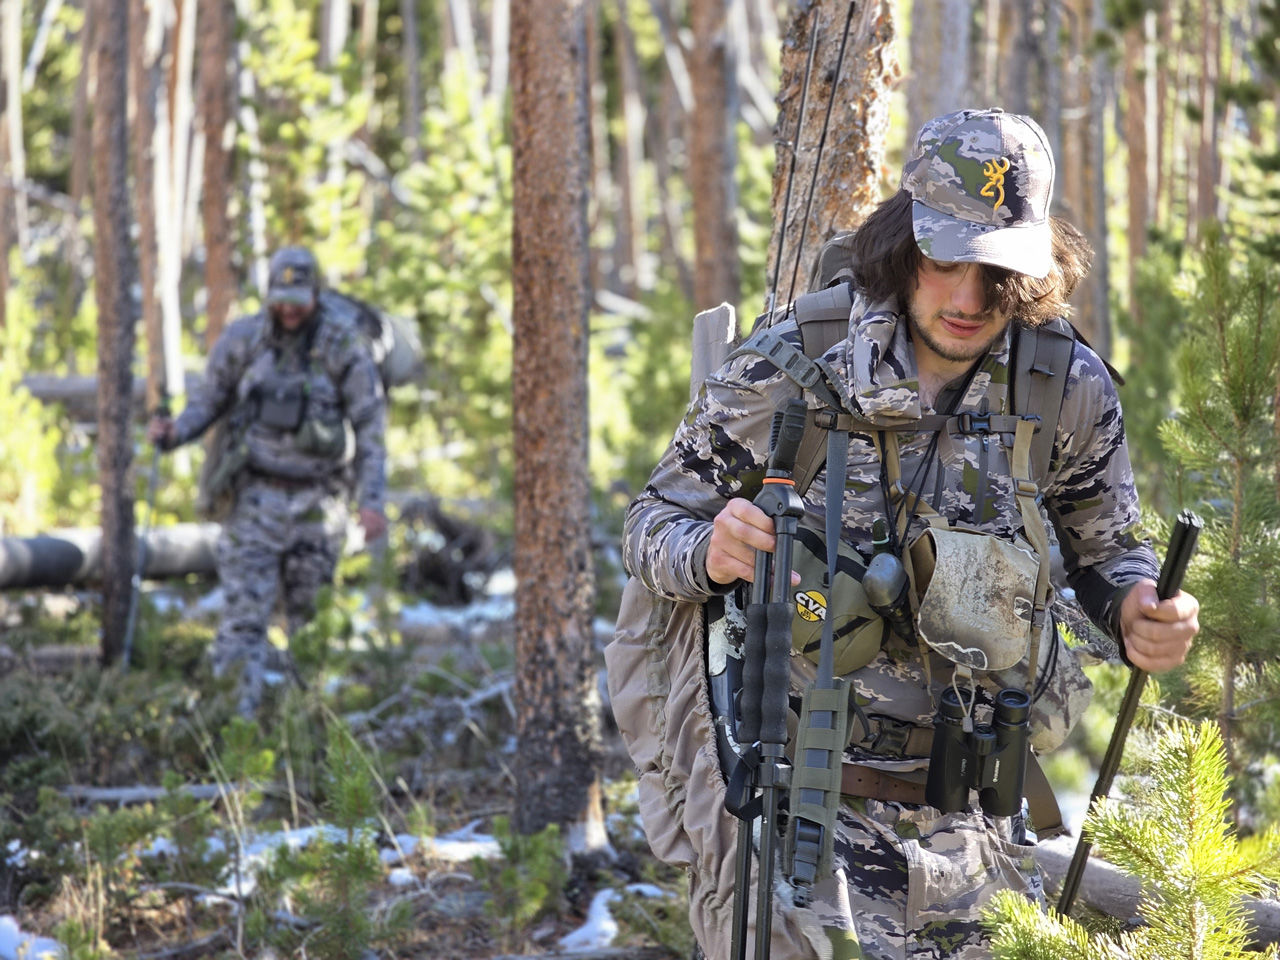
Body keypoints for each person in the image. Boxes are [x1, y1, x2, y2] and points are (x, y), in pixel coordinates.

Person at [613, 109, 1200, 959]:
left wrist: (1139, 606)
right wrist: (708, 550)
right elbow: (649, 523)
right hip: (800, 808)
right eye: (946, 261)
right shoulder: (797, 363)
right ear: (905, 239)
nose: (967, 299)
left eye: (996, 273)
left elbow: (1106, 552)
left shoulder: (1061, 388)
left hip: (975, 813)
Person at [149, 247, 388, 716]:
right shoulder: (244, 341)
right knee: (243, 622)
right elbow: (210, 399)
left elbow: (371, 427)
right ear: (269, 295)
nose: (290, 308)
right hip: (254, 501)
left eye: (299, 297)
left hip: (319, 506)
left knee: (310, 626)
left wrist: (372, 500)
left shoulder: (343, 346)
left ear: (316, 294)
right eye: (281, 297)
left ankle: (310, 734)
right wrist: (176, 432)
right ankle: (233, 738)